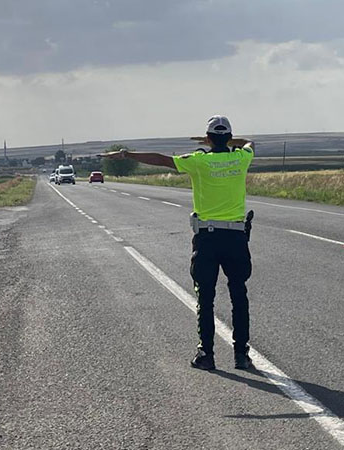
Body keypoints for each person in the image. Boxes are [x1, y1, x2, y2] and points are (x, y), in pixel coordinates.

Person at [101, 115, 255, 371]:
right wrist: (237, 141)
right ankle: (241, 355)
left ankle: (206, 354)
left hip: (207, 238)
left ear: (207, 139)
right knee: (239, 294)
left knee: (205, 297)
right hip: (236, 238)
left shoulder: (198, 162)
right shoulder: (242, 159)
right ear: (228, 138)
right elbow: (250, 144)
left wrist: (128, 154)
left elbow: (161, 159)